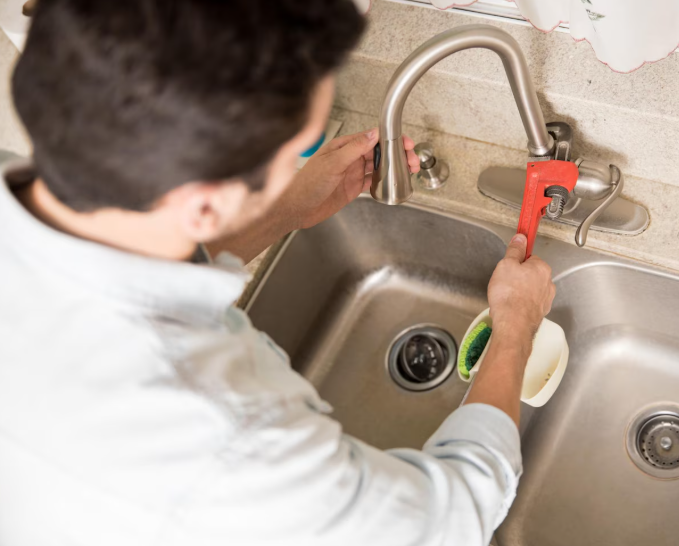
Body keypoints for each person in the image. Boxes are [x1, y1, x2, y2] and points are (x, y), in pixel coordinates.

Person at [0, 1, 556, 545]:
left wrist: (281, 208)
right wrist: (514, 329)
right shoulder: (226, 437)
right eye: (289, 153)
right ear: (204, 205)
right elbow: (451, 517)